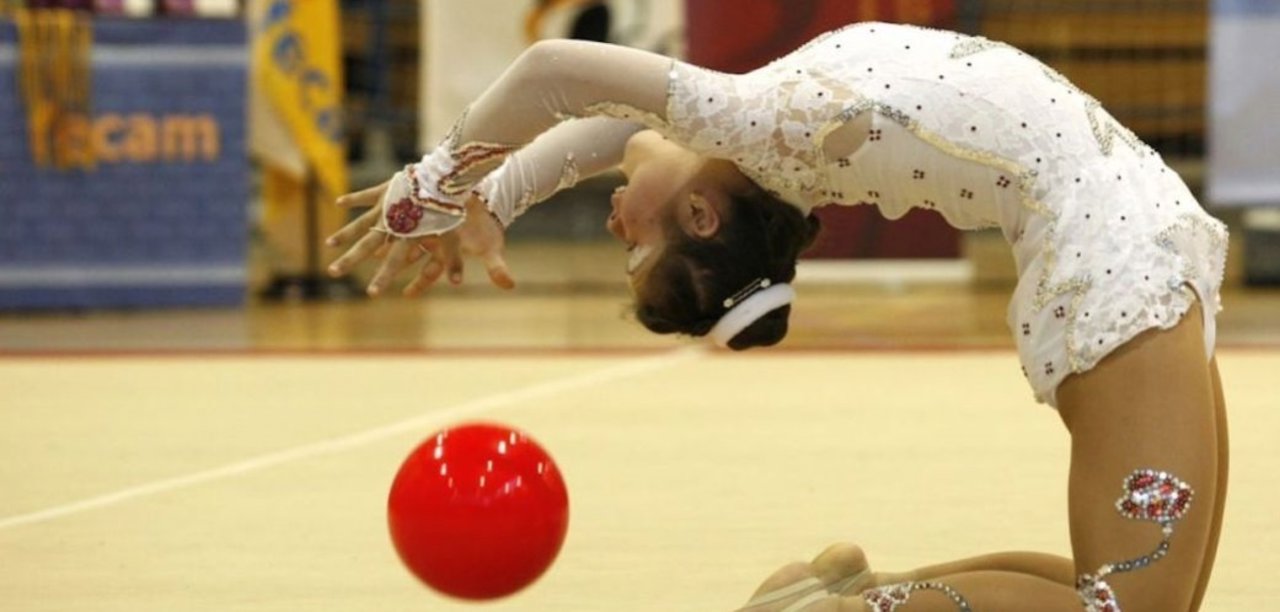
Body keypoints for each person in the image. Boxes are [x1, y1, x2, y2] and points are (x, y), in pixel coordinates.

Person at [325, 22, 1229, 612]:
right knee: (1135, 610)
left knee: (1142, 604)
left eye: (629, 249)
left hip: (1118, 248)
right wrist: (462, 192)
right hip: (1115, 252)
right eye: (631, 251)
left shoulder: (760, 122)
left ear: (705, 216)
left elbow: (570, 85)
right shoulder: (761, 126)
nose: (614, 227)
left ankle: (848, 597)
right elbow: (582, 94)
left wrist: (451, 193)